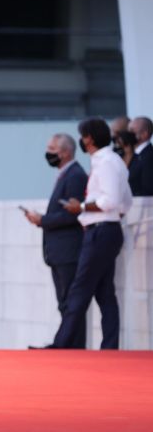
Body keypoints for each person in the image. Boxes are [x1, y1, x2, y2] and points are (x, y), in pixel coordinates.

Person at [42, 118, 132, 349]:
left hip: (100, 233)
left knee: (79, 289)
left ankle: (63, 344)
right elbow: (125, 202)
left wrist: (81, 208)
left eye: (83, 136)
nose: (82, 141)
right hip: (104, 230)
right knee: (104, 293)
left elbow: (111, 200)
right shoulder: (112, 161)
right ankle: (109, 347)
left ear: (89, 138)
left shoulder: (106, 163)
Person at [25, 133, 88, 349]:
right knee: (65, 303)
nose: (49, 153)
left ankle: (71, 346)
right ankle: (68, 345)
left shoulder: (75, 176)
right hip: (59, 250)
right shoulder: (65, 175)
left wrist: (43, 220)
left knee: (71, 303)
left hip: (68, 250)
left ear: (66, 152)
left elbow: (73, 213)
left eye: (52, 149)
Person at [127, 116, 153, 196]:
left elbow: (148, 189)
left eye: (131, 130)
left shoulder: (149, 156)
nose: (128, 134)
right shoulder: (136, 155)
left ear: (144, 134)